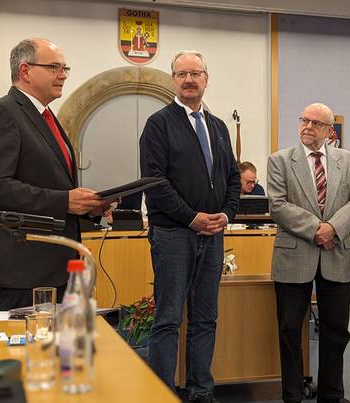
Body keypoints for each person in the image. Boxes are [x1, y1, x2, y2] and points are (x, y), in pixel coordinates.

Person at [0, 38, 110, 310]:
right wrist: (64, 200)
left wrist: (88, 207)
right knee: (33, 351)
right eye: (54, 67)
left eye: (64, 68)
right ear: (25, 71)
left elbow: (53, 182)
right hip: (26, 267)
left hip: (61, 263)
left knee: (63, 350)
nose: (63, 75)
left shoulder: (46, 116)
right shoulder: (2, 112)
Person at [140, 50, 240, 402]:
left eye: (195, 73)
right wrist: (191, 217)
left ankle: (201, 391)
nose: (189, 80)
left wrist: (225, 215)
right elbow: (154, 181)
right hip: (173, 235)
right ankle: (162, 393)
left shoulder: (218, 127)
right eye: (181, 74)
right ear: (173, 80)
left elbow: (232, 178)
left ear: (206, 78)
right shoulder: (158, 124)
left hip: (213, 236)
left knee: (205, 319)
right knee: (168, 320)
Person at [267, 103, 350, 403]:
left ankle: (332, 394)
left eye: (316, 123)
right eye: (304, 120)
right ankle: (292, 394)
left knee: (336, 330)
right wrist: (316, 229)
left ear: (329, 130)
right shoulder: (281, 160)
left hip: (336, 253)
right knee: (289, 329)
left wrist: (333, 228)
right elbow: (278, 205)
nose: (307, 126)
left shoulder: (348, 161)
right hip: (293, 256)